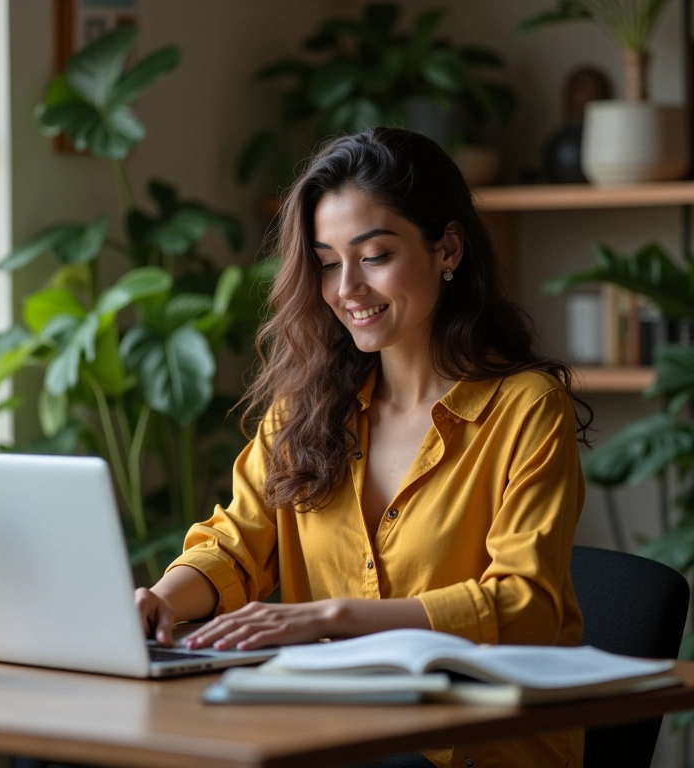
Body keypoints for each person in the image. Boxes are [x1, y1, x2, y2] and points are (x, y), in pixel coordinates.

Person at [135, 127, 592, 768]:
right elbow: (234, 546)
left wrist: (327, 617)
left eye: (374, 255)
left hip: (475, 752)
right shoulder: (304, 411)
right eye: (326, 262)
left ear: (448, 249)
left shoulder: (526, 408)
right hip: (334, 738)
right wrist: (159, 599)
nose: (345, 287)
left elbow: (524, 606)